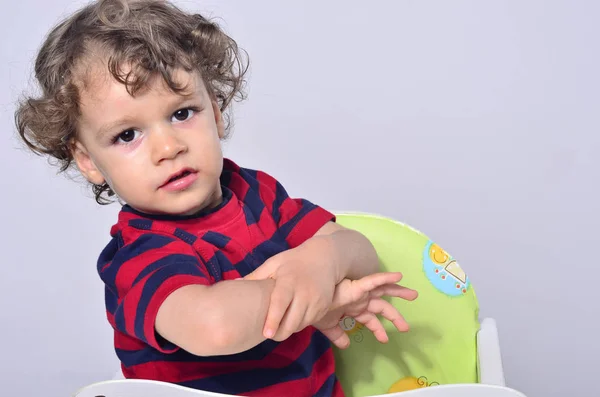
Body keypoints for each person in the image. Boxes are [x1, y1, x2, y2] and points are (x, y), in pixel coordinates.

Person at [14, 1, 418, 396]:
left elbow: (357, 249)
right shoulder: (139, 256)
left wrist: (321, 261)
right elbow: (215, 327)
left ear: (216, 111)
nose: (168, 147)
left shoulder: (256, 193)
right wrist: (316, 295)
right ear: (88, 161)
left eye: (182, 113)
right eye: (127, 135)